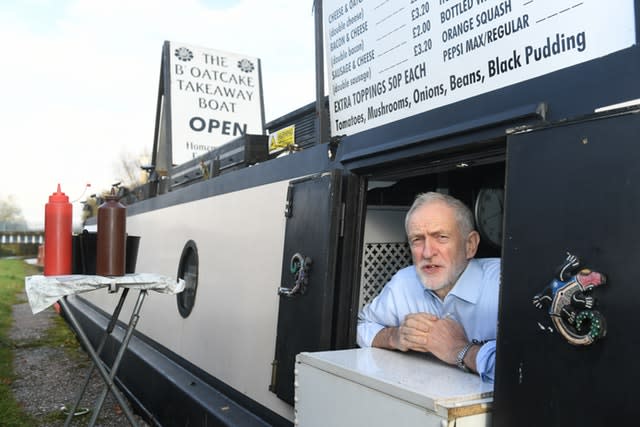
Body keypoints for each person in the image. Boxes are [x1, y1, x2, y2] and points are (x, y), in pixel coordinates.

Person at [357, 192, 500, 382]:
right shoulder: (404, 283)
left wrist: (460, 350)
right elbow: (362, 326)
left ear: (470, 245)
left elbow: (532, 366)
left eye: (441, 237)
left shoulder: (502, 285)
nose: (427, 252)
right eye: (417, 240)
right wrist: (394, 336)